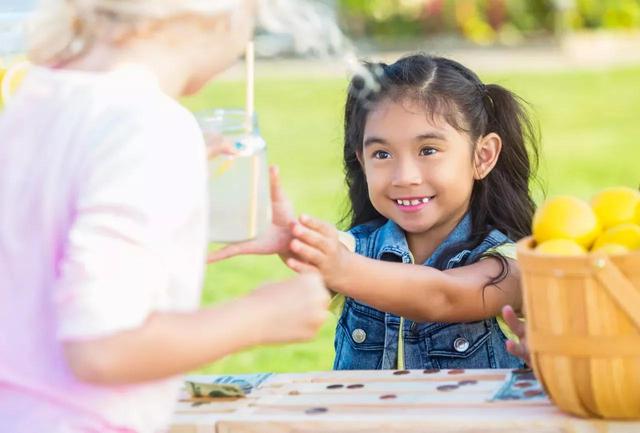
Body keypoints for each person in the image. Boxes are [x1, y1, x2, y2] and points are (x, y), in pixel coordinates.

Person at [0, 1, 329, 432]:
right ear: (218, 15)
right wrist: (263, 314)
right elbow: (103, 349)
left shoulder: (38, 93)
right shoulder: (148, 128)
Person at [210, 54, 539, 370]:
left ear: (482, 156)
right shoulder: (358, 250)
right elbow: (331, 257)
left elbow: (444, 297)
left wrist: (339, 266)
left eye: (428, 150)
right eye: (382, 154)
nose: (404, 176)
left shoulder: (509, 265)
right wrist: (294, 239)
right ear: (362, 160)